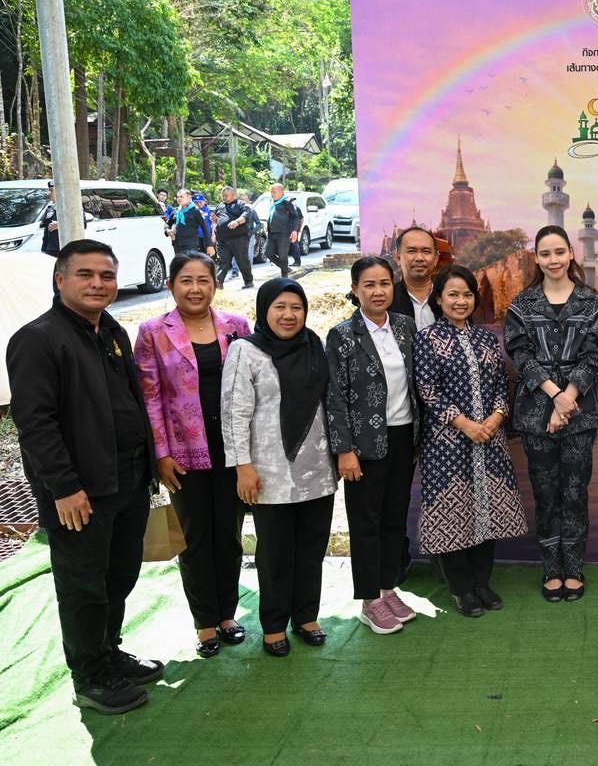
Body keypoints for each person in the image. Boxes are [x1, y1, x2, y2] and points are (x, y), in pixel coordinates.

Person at [6, 239, 163, 714]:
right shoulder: (38, 339)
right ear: (60, 279)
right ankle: (90, 677)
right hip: (81, 491)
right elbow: (35, 424)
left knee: (120, 573)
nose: (98, 284)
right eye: (85, 274)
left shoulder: (111, 331)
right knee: (83, 585)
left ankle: (109, 652)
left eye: (107, 276)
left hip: (127, 479)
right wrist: (65, 487)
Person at [133, 253, 251, 658]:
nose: (195, 289)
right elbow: (150, 399)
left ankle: (227, 614)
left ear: (215, 284)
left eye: (204, 280)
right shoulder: (153, 332)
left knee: (229, 534)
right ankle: (204, 621)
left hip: (232, 449)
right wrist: (161, 454)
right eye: (186, 280)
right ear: (171, 285)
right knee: (195, 537)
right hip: (183, 452)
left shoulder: (236, 326)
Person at [221, 279, 337, 657]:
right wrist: (243, 467)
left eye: (296, 307)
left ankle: (306, 616)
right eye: (280, 307)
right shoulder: (245, 351)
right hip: (268, 472)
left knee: (311, 547)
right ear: (264, 310)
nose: (289, 315)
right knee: (274, 552)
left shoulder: (313, 345)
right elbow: (234, 413)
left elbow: (328, 403)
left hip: (317, 467)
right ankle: (274, 624)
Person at [414, 265, 527, 617]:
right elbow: (428, 391)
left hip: (490, 440)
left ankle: (482, 583)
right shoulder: (427, 339)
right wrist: (465, 425)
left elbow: (501, 385)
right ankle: (461, 588)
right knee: (453, 510)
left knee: (487, 509)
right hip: (447, 443)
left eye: (466, 295)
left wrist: (494, 419)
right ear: (439, 299)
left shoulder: (486, 339)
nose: (460, 301)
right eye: (453, 295)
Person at [503, 226, 598, 602]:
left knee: (575, 491)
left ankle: (574, 566)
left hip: (580, 413)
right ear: (537, 258)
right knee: (545, 492)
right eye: (545, 254)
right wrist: (555, 397)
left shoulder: (590, 302)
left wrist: (568, 398)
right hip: (535, 412)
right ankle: (551, 567)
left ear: (571, 253)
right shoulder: (522, 304)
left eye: (559, 252)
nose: (553, 260)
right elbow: (520, 354)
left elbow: (594, 354)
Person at [325, 257, 421, 634]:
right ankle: (369, 600)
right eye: (369, 285)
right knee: (366, 521)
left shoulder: (405, 327)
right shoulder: (342, 335)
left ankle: (387, 587)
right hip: (364, 444)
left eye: (384, 284)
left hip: (403, 436)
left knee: (394, 518)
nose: (378, 291)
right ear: (355, 289)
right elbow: (335, 396)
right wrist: (344, 450)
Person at [388, 225, 442, 329]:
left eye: (426, 251)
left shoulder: (448, 297)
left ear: (436, 259)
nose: (419, 258)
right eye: (411, 251)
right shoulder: (387, 299)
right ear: (398, 258)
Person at [213, 186, 254, 290]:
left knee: (242, 260)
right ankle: (219, 282)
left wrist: (237, 222)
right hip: (222, 239)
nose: (224, 198)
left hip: (238, 238)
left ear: (233, 195)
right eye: (223, 196)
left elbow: (245, 216)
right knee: (223, 261)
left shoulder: (241, 204)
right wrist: (214, 228)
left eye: (226, 196)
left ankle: (248, 281)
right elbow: (214, 218)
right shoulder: (220, 206)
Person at [263, 183, 303, 278]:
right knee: (268, 253)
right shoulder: (274, 203)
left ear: (281, 192)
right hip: (272, 233)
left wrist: (295, 231)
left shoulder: (288, 202)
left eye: (274, 192)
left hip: (284, 233)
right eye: (271, 192)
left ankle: (285, 277)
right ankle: (286, 268)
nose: (272, 194)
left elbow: (295, 217)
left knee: (283, 256)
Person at [168, 189, 211, 256]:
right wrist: (167, 230)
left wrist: (209, 245)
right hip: (177, 245)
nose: (179, 199)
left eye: (181, 197)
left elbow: (204, 228)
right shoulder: (176, 211)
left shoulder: (195, 211)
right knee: (180, 262)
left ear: (189, 198)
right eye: (178, 197)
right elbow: (167, 224)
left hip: (190, 245)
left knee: (190, 262)